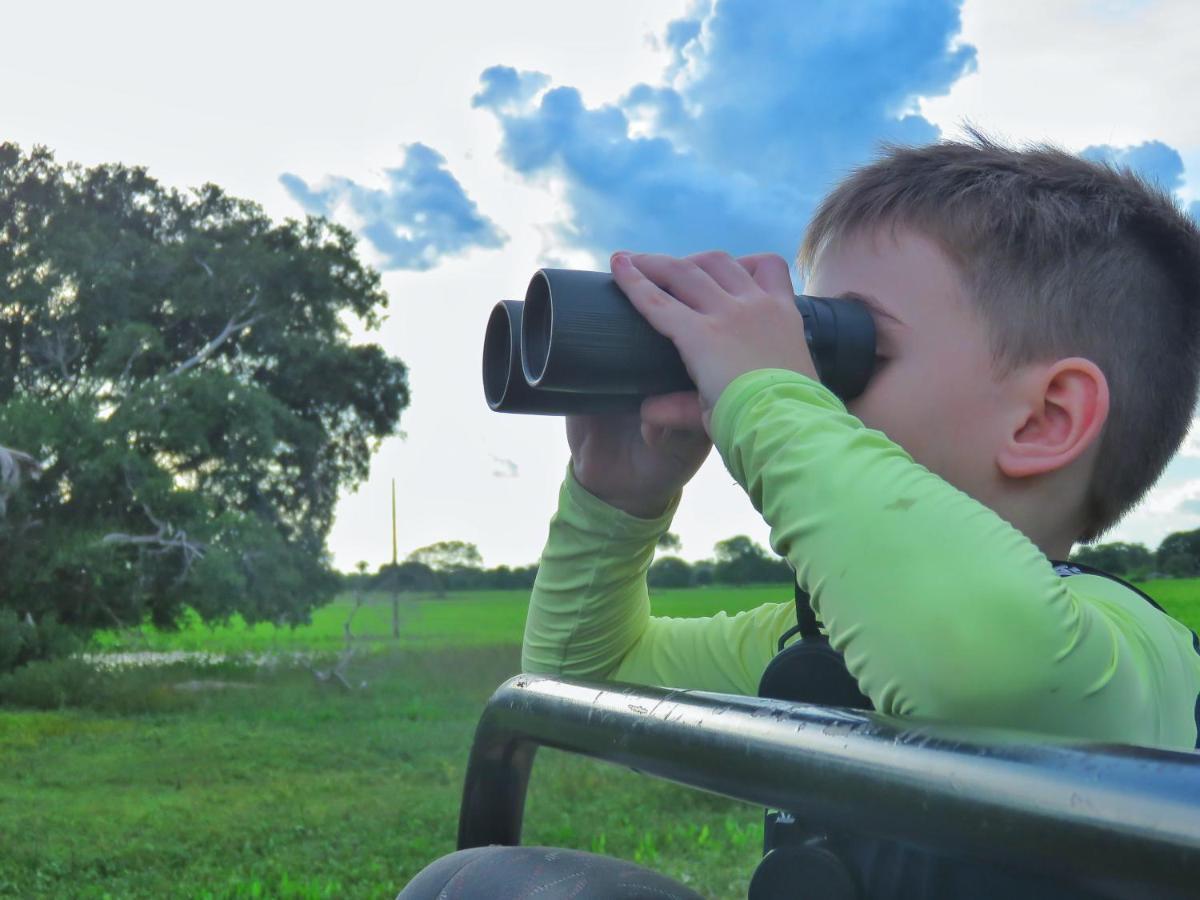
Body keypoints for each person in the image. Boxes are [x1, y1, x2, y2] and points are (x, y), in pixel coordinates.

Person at [401, 134, 1200, 897]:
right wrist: (615, 502)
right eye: (801, 343)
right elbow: (580, 684)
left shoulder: (1134, 656)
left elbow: (980, 670)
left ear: (1043, 420)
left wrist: (767, 393)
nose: (804, 380)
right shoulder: (819, 646)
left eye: (842, 346)